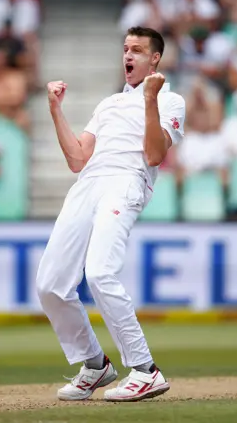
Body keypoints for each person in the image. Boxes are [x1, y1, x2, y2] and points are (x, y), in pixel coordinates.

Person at [36, 26, 185, 402]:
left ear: (155, 58)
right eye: (125, 49)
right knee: (50, 284)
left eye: (137, 50)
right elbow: (76, 159)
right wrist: (56, 109)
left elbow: (154, 155)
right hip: (88, 184)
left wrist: (150, 99)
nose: (128, 56)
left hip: (126, 181)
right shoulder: (108, 104)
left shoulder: (171, 101)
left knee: (100, 271)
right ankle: (94, 363)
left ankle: (146, 370)